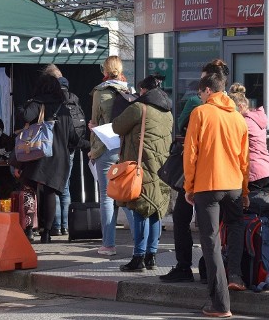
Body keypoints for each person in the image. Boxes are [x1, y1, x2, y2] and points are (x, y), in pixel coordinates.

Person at [184, 72, 250, 318]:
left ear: (208, 91)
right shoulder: (238, 118)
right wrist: (244, 190)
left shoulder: (200, 114)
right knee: (234, 228)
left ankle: (220, 302)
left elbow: (190, 154)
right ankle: (235, 274)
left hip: (208, 183)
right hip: (233, 183)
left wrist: (189, 187)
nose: (200, 97)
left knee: (210, 240)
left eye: (201, 93)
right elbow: (245, 160)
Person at [161, 59, 229, 284]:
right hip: (225, 175)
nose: (199, 90)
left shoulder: (196, 105)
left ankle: (185, 266)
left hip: (198, 173)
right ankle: (215, 271)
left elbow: (185, 135)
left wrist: (188, 185)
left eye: (202, 83)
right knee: (214, 227)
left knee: (183, 218)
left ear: (209, 84)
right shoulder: (233, 107)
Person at [112, 74, 173, 272]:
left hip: (141, 168)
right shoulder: (168, 112)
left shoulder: (139, 108)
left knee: (139, 210)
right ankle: (151, 256)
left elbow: (116, 126)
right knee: (155, 210)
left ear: (144, 91)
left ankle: (138, 257)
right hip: (161, 168)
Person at [14, 74, 79, 243]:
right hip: (58, 157)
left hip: (37, 155)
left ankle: (29, 229)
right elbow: (72, 136)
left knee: (29, 189)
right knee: (50, 192)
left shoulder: (36, 103)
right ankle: (47, 233)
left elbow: (26, 117)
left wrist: (21, 105)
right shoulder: (63, 108)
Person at [228, 82, 269, 287]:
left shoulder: (242, 122)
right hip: (267, 173)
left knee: (254, 226)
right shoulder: (256, 119)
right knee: (265, 223)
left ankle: (263, 272)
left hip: (254, 175)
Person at [88, 55, 133, 256]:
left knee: (107, 196)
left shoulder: (100, 91)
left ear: (105, 71)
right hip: (124, 147)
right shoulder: (129, 90)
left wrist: (93, 130)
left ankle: (108, 245)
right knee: (128, 195)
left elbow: (94, 120)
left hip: (106, 146)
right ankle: (140, 241)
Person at [40, 64, 90, 236]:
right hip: (70, 146)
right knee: (66, 186)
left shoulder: (48, 97)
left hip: (52, 146)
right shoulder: (73, 97)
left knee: (52, 186)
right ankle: (66, 226)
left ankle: (55, 225)